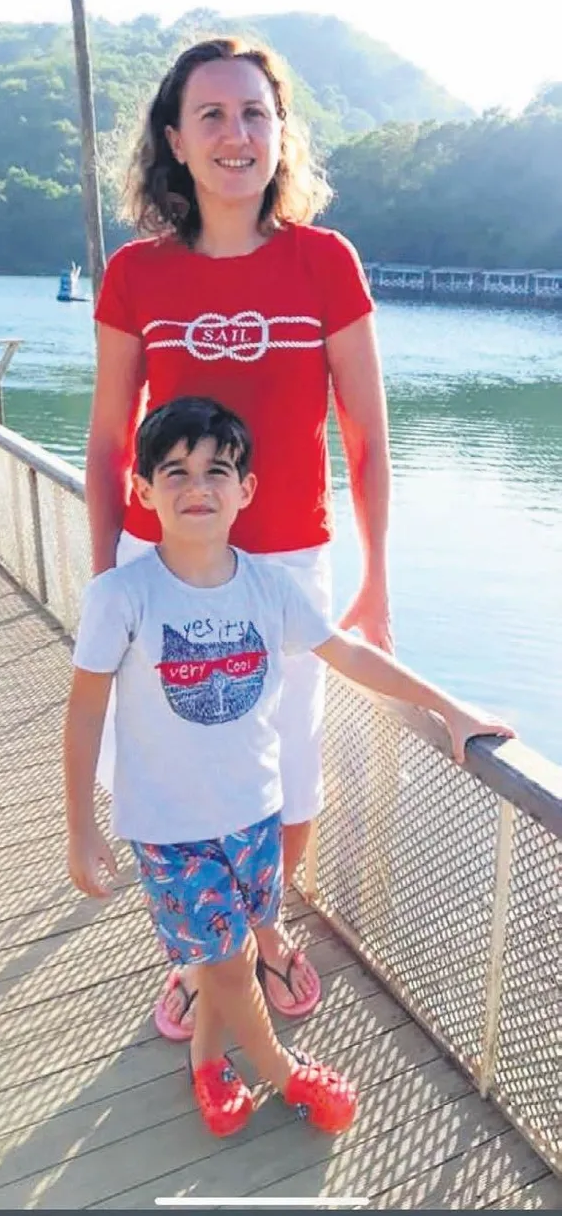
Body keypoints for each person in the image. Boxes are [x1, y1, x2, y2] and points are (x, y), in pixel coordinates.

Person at [65, 396, 515, 1139]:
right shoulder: (121, 596)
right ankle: (284, 1071)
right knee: (228, 961)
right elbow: (85, 712)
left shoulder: (270, 589)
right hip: (169, 829)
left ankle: (208, 1060)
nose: (197, 486)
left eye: (217, 470)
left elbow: (351, 655)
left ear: (246, 489)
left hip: (254, 816)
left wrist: (450, 707)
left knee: (230, 949)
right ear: (142, 489)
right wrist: (81, 827)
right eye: (174, 472)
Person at [87, 35, 392, 1039]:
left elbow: (365, 436)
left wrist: (377, 580)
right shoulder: (135, 274)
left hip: (288, 560)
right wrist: (105, 579)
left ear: (279, 132)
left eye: (255, 112)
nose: (235, 133)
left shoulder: (325, 262)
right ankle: (200, 953)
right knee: (172, 771)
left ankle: (260, 931)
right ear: (175, 139)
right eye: (211, 114)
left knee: (288, 761)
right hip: (162, 564)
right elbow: (109, 441)